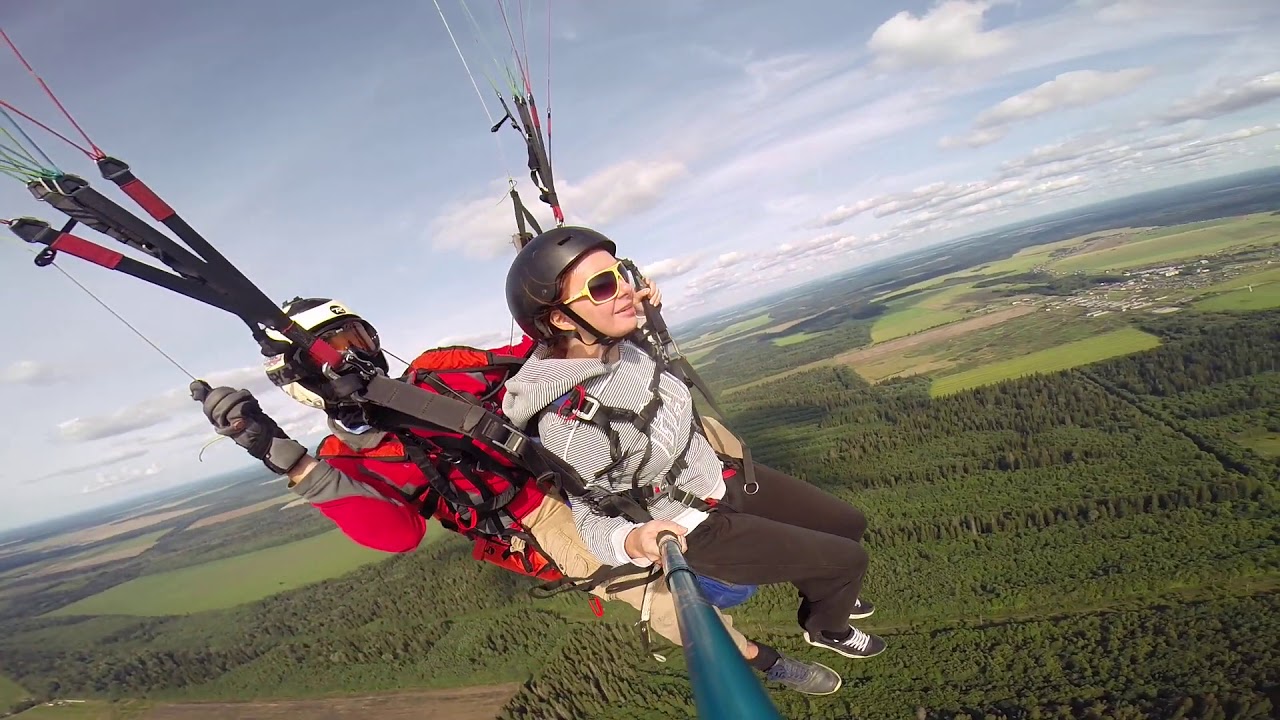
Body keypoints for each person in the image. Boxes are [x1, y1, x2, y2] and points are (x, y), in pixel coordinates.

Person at [190, 296, 842, 695]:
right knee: (668, 600)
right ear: (305, 377)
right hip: (540, 515)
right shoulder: (348, 458)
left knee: (683, 430)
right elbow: (396, 534)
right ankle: (762, 659)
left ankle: (751, 514)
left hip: (567, 450)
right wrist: (288, 460)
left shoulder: (439, 371)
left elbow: (536, 355)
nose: (354, 355)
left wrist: (581, 309)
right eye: (334, 350)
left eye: (356, 337)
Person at [500, 226, 886, 661]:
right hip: (693, 523)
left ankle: (831, 588)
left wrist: (642, 315)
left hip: (716, 474)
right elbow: (589, 517)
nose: (627, 289)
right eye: (603, 286)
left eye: (621, 273)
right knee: (848, 560)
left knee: (848, 524)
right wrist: (634, 541)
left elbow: (641, 371)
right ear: (561, 319)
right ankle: (827, 625)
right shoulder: (568, 426)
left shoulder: (615, 344)